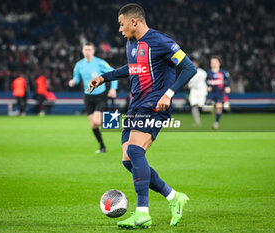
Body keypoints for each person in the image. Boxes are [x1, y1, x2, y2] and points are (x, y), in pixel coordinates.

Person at [87, 4, 197, 229]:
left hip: (155, 104)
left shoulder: (161, 41)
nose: (120, 29)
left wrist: (169, 92)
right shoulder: (131, 44)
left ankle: (142, 213)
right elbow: (133, 67)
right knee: (128, 160)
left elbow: (188, 68)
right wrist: (104, 77)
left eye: (121, 24)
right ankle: (174, 197)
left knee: (136, 151)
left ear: (133, 21)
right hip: (135, 106)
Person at [69, 42, 118, 154]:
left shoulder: (100, 63)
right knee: (93, 124)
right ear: (82, 51)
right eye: (85, 50)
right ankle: (102, 147)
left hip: (100, 95)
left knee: (96, 121)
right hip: (88, 96)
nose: (87, 52)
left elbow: (114, 74)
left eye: (89, 50)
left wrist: (113, 89)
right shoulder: (79, 65)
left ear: (93, 51)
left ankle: (113, 121)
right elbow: (76, 77)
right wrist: (73, 82)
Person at [206, 56, 231, 129]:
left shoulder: (223, 72)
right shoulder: (208, 73)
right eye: (212, 62)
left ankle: (216, 122)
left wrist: (227, 87)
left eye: (215, 62)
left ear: (219, 63)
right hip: (211, 94)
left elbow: (228, 81)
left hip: (220, 93)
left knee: (218, 106)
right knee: (210, 107)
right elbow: (206, 81)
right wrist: (208, 86)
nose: (213, 64)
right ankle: (224, 104)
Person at [187, 60, 207, 125]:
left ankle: (213, 108)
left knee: (201, 106)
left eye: (195, 64)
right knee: (193, 105)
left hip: (201, 90)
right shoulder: (188, 71)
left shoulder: (202, 72)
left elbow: (204, 80)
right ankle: (197, 121)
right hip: (193, 90)